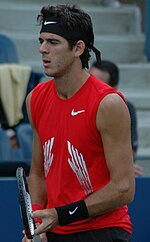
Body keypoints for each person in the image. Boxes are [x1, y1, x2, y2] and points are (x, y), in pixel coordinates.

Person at [23, 4, 135, 242]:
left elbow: (124, 187)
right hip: (55, 229)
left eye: (53, 42)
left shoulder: (108, 104)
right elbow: (38, 172)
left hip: (103, 232)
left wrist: (61, 215)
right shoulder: (35, 98)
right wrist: (38, 222)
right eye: (41, 41)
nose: (43, 49)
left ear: (78, 48)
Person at [89, 60, 143, 176]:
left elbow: (130, 153)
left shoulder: (125, 108)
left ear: (113, 88)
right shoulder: (72, 105)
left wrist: (122, 166)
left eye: (97, 85)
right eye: (88, 81)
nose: (89, 88)